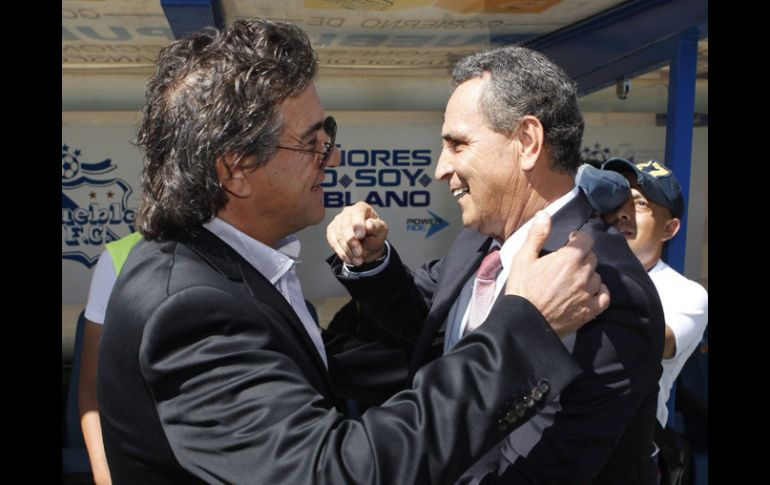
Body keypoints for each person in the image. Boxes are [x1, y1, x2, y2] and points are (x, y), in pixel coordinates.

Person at [96, 19, 610, 484]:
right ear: (235, 168)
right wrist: (525, 332)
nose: (333, 156)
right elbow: (330, 471)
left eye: (330, 134)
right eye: (313, 141)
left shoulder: (221, 270)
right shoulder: (190, 308)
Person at [326, 45, 665, 484]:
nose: (440, 168)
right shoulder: (479, 241)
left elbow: (533, 470)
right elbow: (424, 323)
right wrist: (373, 261)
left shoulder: (602, 287)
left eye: (457, 144)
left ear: (527, 142)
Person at [596, 158, 709, 482]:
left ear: (669, 228)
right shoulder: (575, 266)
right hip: (555, 448)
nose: (623, 211)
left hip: (623, 461)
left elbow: (651, 340)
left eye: (640, 203)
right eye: (618, 199)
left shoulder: (687, 294)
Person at [78, 232, 141, 485]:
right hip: (139, 459)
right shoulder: (120, 256)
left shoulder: (262, 250)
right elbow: (92, 382)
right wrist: (104, 473)